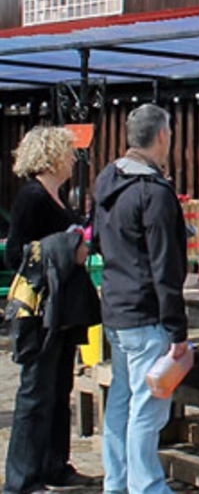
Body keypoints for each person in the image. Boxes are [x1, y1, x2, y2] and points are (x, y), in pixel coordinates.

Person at [93, 104, 188, 494]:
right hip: (146, 313)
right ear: (163, 136)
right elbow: (164, 266)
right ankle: (146, 488)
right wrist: (177, 329)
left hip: (115, 307)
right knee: (147, 411)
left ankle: (116, 484)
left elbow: (99, 240)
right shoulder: (154, 192)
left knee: (120, 404)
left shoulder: (107, 180)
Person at [3, 125, 101, 494]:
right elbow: (16, 253)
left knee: (60, 388)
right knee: (34, 392)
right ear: (51, 155)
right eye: (67, 151)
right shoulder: (31, 197)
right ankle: (22, 478)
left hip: (63, 309)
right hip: (41, 308)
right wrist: (65, 246)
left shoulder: (58, 196)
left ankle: (54, 465)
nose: (73, 158)